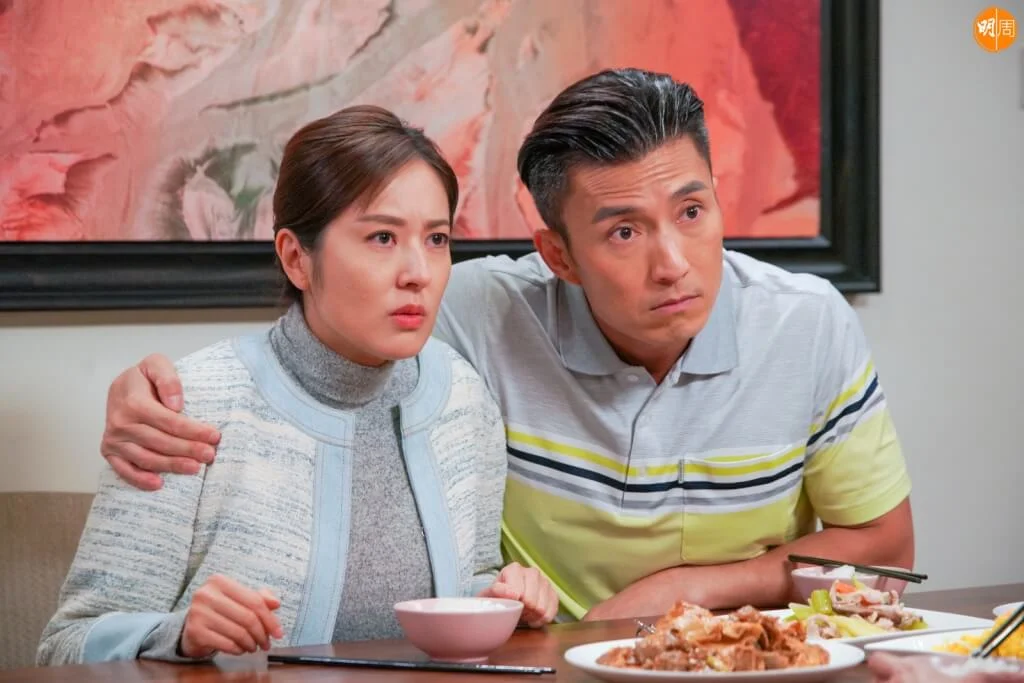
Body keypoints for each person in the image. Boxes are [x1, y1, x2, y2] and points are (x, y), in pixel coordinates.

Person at [95, 68, 914, 623]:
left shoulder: (806, 321)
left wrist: (687, 588)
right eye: (624, 230)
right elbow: (321, 345)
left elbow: (886, 550)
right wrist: (148, 390)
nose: (674, 262)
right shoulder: (475, 314)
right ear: (558, 254)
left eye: (692, 212)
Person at [37, 105, 558, 667]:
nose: (419, 273)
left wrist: (506, 597)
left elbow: (467, 581)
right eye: (382, 237)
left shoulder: (462, 398)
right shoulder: (187, 405)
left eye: (436, 239)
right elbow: (65, 648)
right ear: (296, 258)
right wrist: (178, 636)